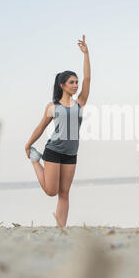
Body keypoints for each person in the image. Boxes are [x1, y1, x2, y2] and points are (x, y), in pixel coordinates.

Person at [25, 35, 91, 227]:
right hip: (54, 150)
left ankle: (61, 229)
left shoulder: (80, 102)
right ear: (62, 85)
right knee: (50, 191)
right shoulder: (52, 106)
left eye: (76, 82)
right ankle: (36, 161)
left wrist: (86, 54)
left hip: (71, 153)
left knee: (64, 193)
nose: (76, 85)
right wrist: (28, 145)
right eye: (72, 82)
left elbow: (88, 78)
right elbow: (40, 128)